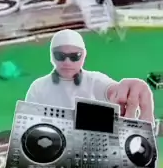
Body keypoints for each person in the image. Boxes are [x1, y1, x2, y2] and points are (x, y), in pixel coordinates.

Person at [25, 29, 154, 121]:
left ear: (83, 56)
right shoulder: (38, 87)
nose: (67, 62)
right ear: (51, 56)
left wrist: (129, 88)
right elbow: (28, 123)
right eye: (60, 56)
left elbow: (112, 91)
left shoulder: (95, 80)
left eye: (74, 56)